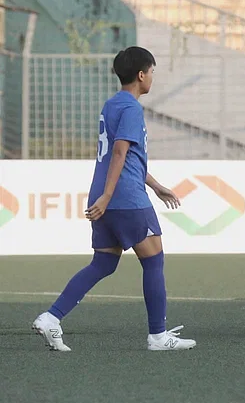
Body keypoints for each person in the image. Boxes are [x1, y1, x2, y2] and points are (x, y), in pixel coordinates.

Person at [32, 47, 196, 352]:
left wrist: (156, 186)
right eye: (152, 71)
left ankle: (51, 318)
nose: (153, 77)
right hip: (124, 198)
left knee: (104, 262)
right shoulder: (132, 109)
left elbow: (125, 156)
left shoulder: (112, 105)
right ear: (141, 75)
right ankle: (158, 336)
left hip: (108, 194)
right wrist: (109, 196)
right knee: (154, 259)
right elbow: (119, 152)